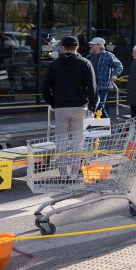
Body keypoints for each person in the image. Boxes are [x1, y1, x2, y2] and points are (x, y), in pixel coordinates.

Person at [41, 36, 98, 176]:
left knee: (61, 141)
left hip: (61, 107)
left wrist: (53, 103)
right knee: (78, 141)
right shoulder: (85, 63)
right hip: (80, 107)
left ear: (63, 47)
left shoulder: (55, 64)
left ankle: (62, 173)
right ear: (77, 47)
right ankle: (74, 172)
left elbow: (44, 88)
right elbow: (92, 88)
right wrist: (92, 106)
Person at [86, 37, 123, 118]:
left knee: (99, 106)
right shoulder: (89, 56)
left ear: (99, 45)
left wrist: (114, 75)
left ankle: (107, 126)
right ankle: (100, 126)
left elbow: (119, 66)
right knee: (94, 107)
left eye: (93, 44)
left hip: (103, 86)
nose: (91, 46)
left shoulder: (108, 55)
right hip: (90, 86)